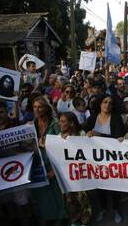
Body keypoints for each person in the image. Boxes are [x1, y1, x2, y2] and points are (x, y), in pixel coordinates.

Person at [84, 94, 125, 223]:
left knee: (114, 186)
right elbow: (83, 132)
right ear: (99, 104)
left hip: (112, 158)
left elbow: (118, 137)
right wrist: (88, 133)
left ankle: (116, 209)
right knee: (100, 186)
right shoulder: (92, 118)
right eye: (105, 102)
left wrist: (99, 134)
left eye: (110, 103)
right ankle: (102, 209)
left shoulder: (117, 118)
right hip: (96, 159)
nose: (107, 105)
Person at [31, 96, 66, 225]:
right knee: (44, 198)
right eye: (34, 107)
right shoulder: (31, 126)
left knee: (59, 197)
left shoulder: (56, 124)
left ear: (46, 108)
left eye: (40, 106)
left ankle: (62, 220)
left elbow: (63, 147)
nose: (37, 110)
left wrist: (54, 170)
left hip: (54, 166)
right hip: (39, 167)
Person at [58, 112, 92, 226]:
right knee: (70, 200)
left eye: (63, 121)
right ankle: (75, 220)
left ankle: (85, 221)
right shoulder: (59, 136)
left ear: (71, 123)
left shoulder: (81, 134)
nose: (60, 124)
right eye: (60, 121)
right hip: (68, 174)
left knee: (83, 199)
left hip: (82, 173)